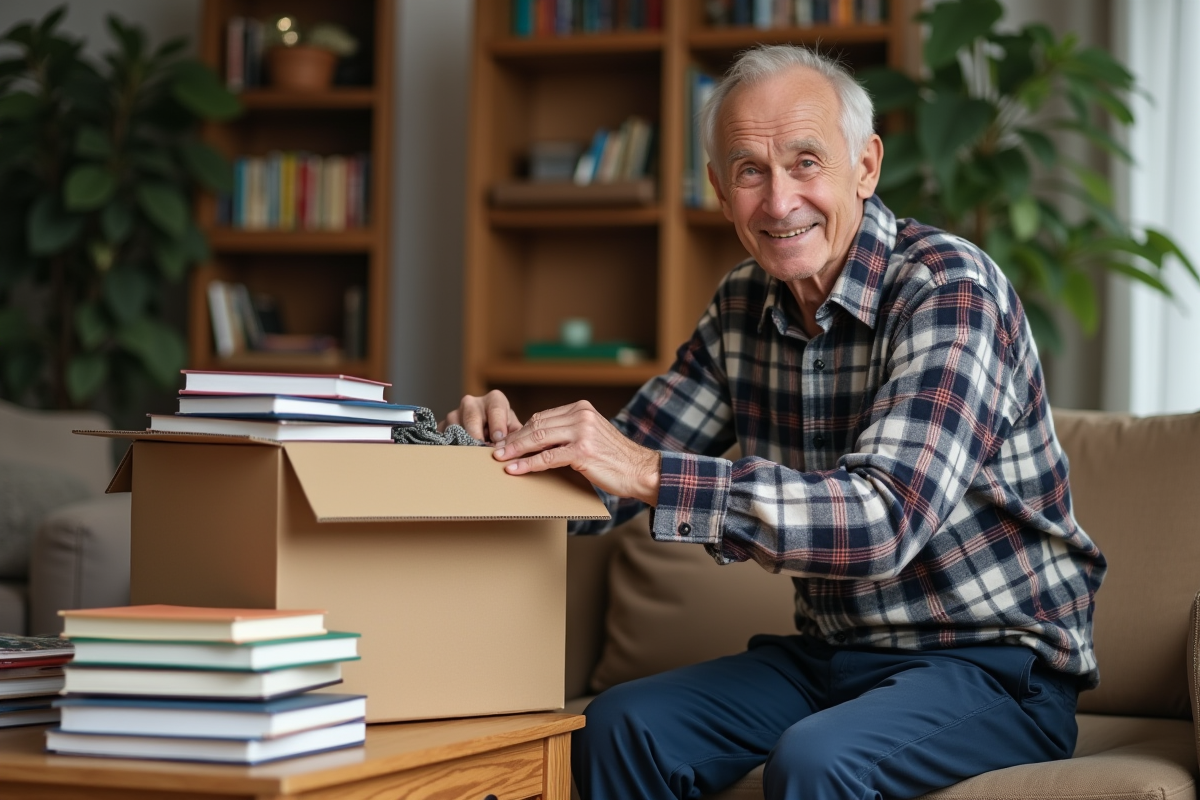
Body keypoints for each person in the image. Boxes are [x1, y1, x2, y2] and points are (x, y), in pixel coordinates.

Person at [444, 45, 1105, 800]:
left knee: (818, 761)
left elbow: (883, 524)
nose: (780, 200)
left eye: (805, 162)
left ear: (865, 166)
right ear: (722, 192)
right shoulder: (740, 308)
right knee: (621, 724)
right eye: (751, 172)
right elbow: (609, 485)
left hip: (995, 666)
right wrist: (491, 459)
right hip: (834, 656)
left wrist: (644, 471)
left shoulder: (949, 290)